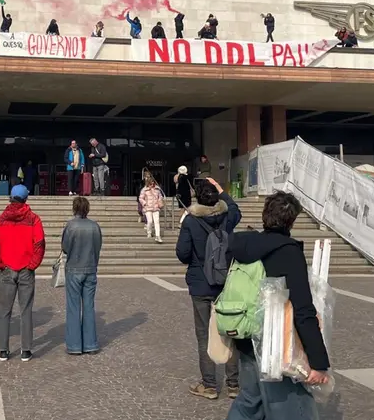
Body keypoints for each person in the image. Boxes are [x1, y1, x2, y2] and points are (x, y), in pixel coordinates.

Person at [226, 191, 330, 420]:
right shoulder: (288, 251)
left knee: (250, 401)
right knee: (293, 407)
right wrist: (318, 361)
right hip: (276, 344)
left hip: (245, 333)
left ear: (265, 215)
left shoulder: (243, 245)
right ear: (291, 220)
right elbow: (303, 309)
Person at [176, 178, 243, 401]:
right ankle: (234, 385)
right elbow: (235, 209)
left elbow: (182, 254)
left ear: (197, 198)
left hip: (201, 283)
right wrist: (222, 190)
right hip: (226, 282)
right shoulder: (227, 216)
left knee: (204, 334)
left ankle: (210, 385)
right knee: (230, 331)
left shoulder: (191, 221)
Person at [0, 184, 46, 362]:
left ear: (10, 198)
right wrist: (32, 265)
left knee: (4, 311)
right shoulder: (33, 219)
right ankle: (26, 349)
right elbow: (40, 244)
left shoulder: (2, 219)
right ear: (26, 198)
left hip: (7, 268)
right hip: (26, 268)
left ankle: (3, 349)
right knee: (26, 310)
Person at [61, 196, 102, 355]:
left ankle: (75, 345)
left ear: (74, 208)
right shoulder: (94, 226)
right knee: (89, 306)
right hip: (90, 268)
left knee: (73, 307)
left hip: (74, 268)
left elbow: (65, 247)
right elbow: (98, 246)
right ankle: (91, 344)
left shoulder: (70, 226)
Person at [139, 178, 164, 243]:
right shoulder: (144, 190)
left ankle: (158, 236)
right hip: (148, 208)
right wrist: (144, 203)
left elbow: (160, 196)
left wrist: (159, 201)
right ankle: (149, 232)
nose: (152, 184)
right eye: (151, 183)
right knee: (150, 221)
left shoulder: (157, 189)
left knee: (157, 221)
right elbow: (141, 198)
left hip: (156, 207)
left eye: (153, 182)